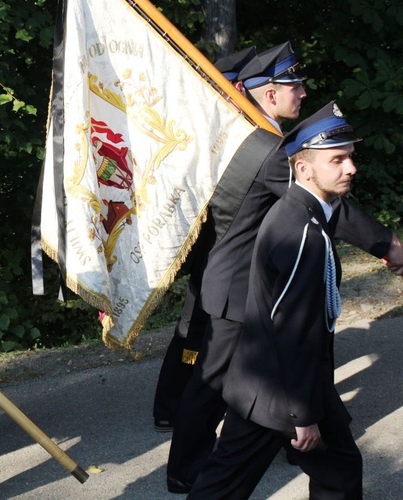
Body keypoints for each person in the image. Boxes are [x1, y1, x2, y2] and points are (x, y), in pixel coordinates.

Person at [164, 44, 403, 494]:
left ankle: (208, 462)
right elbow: (331, 209)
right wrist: (389, 246)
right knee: (220, 387)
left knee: (228, 390)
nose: (302, 92)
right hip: (246, 286)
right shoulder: (272, 150)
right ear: (267, 94)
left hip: (242, 279)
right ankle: (188, 469)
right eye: (293, 86)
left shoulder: (244, 133)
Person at [189, 101, 366, 499]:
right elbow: (291, 332)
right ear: (303, 169)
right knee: (224, 485)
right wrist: (302, 415)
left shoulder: (303, 214)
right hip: (278, 392)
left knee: (338, 471)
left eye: (350, 157)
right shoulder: (300, 232)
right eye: (337, 160)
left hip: (274, 384)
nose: (350, 168)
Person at [153, 45, 258, 433]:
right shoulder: (211, 131)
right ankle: (172, 404)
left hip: (222, 245)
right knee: (195, 332)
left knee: (205, 331)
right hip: (210, 246)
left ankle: (180, 404)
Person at [239, 41, 308, 133]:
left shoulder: (258, 134)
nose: (303, 94)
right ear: (271, 96)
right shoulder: (263, 141)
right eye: (295, 88)